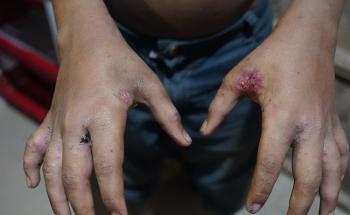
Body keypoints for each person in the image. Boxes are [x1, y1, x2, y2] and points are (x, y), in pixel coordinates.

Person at [23, 0, 349, 214]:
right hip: (108, 43)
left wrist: (318, 24)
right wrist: (76, 25)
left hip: (243, 47)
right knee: (116, 174)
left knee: (226, 176)